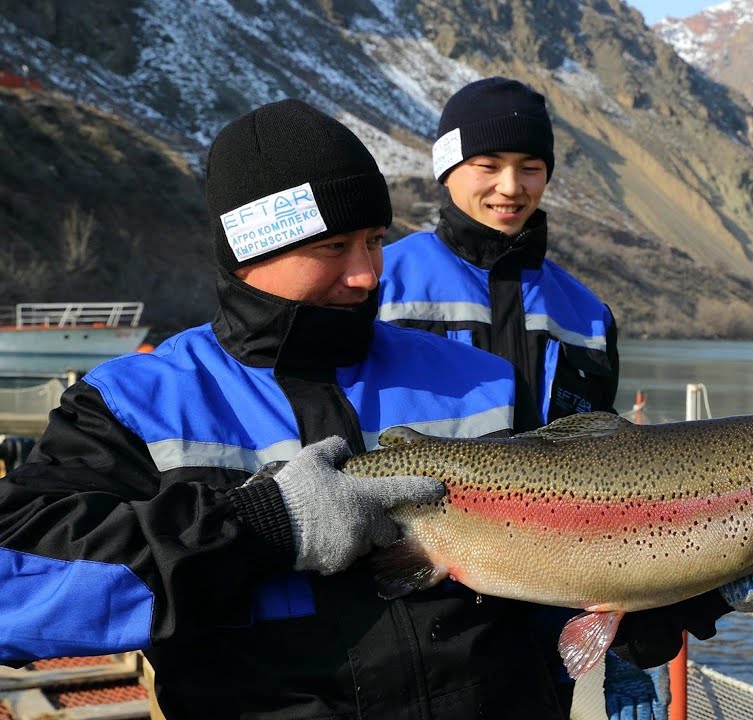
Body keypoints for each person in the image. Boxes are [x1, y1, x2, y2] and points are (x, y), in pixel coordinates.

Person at [0, 98, 565, 719]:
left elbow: (543, 561)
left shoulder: (482, 382)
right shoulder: (132, 404)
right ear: (248, 251)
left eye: (375, 241)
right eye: (333, 247)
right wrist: (260, 526)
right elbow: (14, 595)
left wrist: (644, 592)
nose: (366, 276)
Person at [377, 77, 753, 719]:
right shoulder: (376, 281)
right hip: (402, 619)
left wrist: (707, 587)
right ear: (446, 170)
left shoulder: (586, 312)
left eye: (531, 167)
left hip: (536, 623)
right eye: (487, 166)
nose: (510, 186)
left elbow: (606, 461)